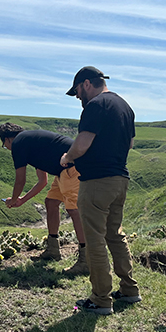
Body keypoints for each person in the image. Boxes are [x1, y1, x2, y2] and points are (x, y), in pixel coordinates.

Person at [60, 66, 140, 315]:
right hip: (120, 179)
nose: (78, 98)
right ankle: (129, 290)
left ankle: (101, 299)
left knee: (94, 239)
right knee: (115, 234)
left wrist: (67, 157)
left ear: (85, 84)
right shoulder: (125, 106)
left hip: (96, 181)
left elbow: (82, 144)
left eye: (77, 93)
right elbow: (130, 143)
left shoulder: (95, 106)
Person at [0, 123, 88, 274]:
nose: (7, 148)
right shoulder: (33, 142)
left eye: (4, 145)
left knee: (74, 211)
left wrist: (12, 200)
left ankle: (86, 260)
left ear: (8, 140)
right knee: (51, 202)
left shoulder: (19, 143)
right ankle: (53, 249)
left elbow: (20, 180)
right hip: (63, 171)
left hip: (72, 169)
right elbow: (42, 181)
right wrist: (21, 200)